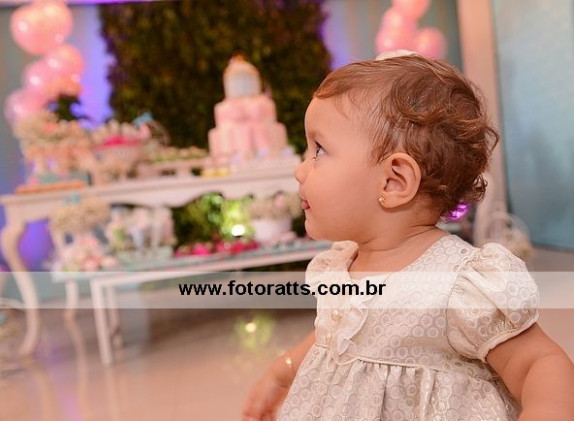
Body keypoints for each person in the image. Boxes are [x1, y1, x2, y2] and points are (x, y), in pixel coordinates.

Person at [241, 52, 574, 421]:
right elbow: (334, 336)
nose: (300, 170)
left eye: (319, 150)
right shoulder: (341, 263)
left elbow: (537, 362)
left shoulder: (457, 285)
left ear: (394, 181)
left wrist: (548, 409)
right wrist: (283, 371)